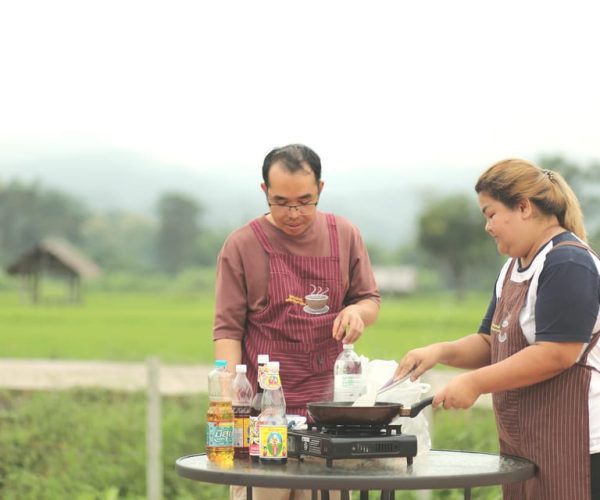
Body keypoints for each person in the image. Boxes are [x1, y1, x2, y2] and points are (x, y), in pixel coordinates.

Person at [395, 159, 600, 499]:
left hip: (581, 445)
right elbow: (492, 342)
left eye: (490, 214)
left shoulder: (567, 263)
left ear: (523, 207)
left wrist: (476, 382)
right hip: (531, 442)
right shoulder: (511, 269)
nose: (487, 227)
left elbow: (557, 353)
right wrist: (439, 352)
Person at [213, 144, 380, 500]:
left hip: (331, 417)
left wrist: (356, 313)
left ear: (321, 189)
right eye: (281, 202)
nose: (293, 213)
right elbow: (228, 330)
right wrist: (229, 403)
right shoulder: (242, 246)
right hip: (265, 415)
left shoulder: (344, 235)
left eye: (305, 201)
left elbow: (369, 300)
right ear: (264, 192)